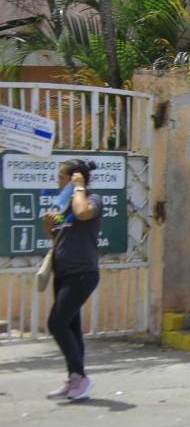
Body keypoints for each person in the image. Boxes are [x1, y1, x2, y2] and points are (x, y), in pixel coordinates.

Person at [43, 160, 102, 401]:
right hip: (63, 273)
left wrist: (78, 187)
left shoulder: (92, 199)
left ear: (74, 178)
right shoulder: (64, 205)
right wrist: (48, 225)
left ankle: (83, 379)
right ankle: (75, 378)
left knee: (56, 323)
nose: (58, 182)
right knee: (71, 326)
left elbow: (83, 213)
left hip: (82, 273)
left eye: (61, 177)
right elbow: (56, 234)